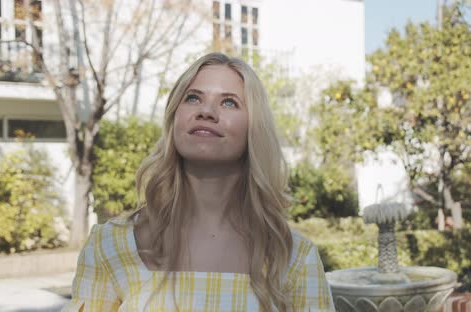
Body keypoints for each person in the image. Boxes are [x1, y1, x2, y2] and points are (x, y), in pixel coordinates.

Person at [63, 53, 335, 311]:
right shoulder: (109, 246)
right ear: (174, 118)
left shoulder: (293, 258)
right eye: (193, 97)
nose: (206, 111)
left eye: (229, 102)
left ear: (255, 128)